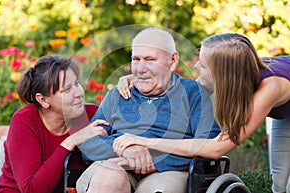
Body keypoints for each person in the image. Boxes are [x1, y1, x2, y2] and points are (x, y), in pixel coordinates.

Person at [114, 33, 290, 193]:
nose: (197, 65)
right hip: (285, 112)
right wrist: (141, 79)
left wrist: (145, 141)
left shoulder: (271, 88)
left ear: (222, 73)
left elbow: (217, 148)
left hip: (282, 96)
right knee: (280, 184)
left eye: (203, 65)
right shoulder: (235, 76)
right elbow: (185, 90)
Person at [76, 27, 221, 193]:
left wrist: (154, 158)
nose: (140, 68)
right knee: (108, 176)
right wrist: (129, 152)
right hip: (116, 163)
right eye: (136, 59)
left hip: (167, 171)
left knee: (160, 190)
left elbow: (208, 146)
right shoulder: (118, 94)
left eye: (150, 59)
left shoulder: (193, 93)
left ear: (172, 61)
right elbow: (89, 143)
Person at [0, 55, 108, 193]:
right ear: (43, 100)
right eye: (67, 89)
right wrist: (71, 141)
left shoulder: (91, 115)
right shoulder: (25, 121)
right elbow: (31, 190)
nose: (78, 93)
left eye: (77, 84)